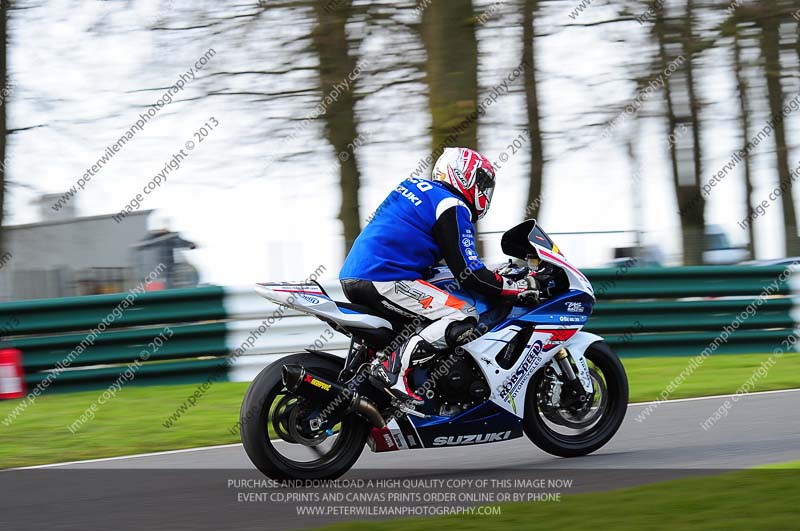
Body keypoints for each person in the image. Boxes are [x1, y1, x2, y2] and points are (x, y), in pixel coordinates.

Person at [339, 147, 539, 406]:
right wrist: (512, 287)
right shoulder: (452, 206)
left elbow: (430, 254)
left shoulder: (415, 188)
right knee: (462, 313)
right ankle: (393, 370)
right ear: (463, 174)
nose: (484, 190)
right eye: (481, 182)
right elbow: (470, 274)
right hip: (386, 278)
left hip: (356, 275)